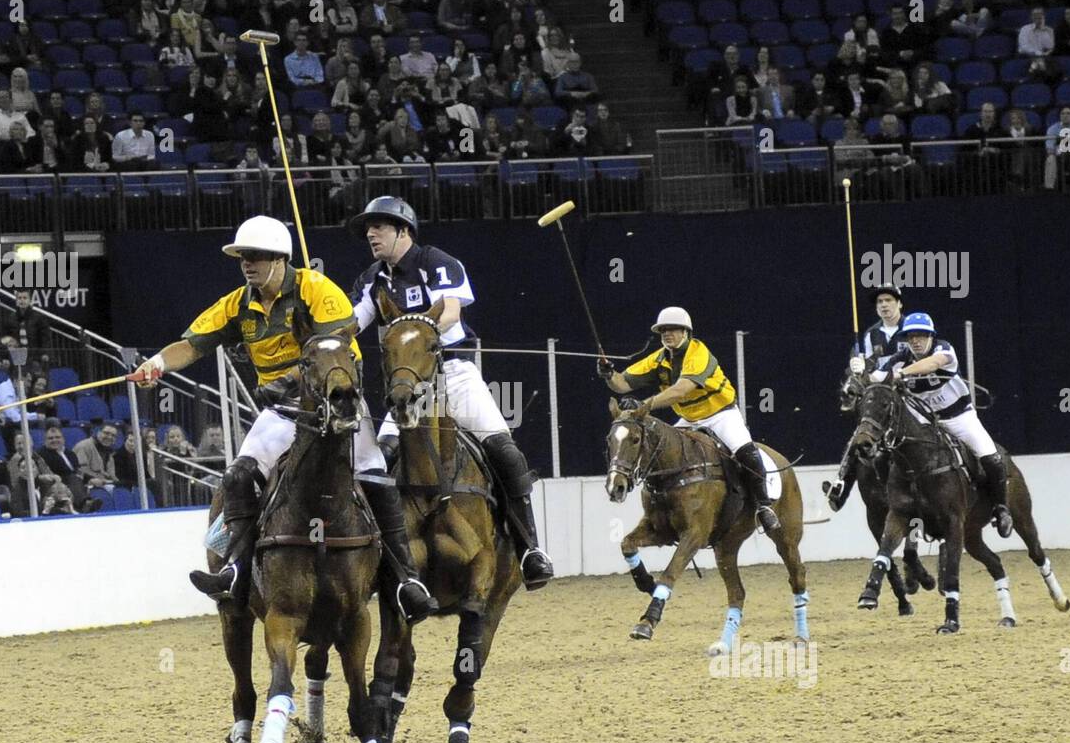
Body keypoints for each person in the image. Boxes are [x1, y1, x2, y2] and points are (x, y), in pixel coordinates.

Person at [134, 216, 439, 621]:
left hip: (339, 405)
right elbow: (191, 346)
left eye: (256, 257)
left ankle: (405, 579)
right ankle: (235, 569)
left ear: (280, 260)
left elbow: (334, 346)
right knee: (239, 476)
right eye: (243, 257)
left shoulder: (317, 290)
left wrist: (287, 380)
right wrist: (155, 365)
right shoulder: (238, 304)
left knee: (375, 475)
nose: (247, 264)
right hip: (284, 413)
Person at [348, 196, 555, 590]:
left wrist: (418, 334)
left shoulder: (435, 261)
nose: (371, 234)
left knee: (504, 450)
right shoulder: (372, 280)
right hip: (412, 385)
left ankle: (531, 548)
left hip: (453, 374)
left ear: (403, 230)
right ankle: (383, 556)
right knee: (381, 458)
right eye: (367, 230)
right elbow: (354, 322)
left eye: (379, 226)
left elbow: (451, 311)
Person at [599, 306, 781, 532]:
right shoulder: (658, 359)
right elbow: (622, 384)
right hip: (689, 419)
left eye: (673, 329)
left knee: (744, 451)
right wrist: (609, 374)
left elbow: (681, 390)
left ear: (686, 332)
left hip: (721, 415)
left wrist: (644, 406)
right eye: (663, 330)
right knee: (659, 451)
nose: (667, 334)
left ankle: (764, 506)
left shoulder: (698, 353)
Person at [870, 313, 1013, 537]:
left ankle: (1001, 508)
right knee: (883, 453)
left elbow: (933, 364)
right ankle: (895, 500)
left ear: (931, 336)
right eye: (910, 337)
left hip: (958, 416)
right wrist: (860, 372)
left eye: (921, 335)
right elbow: (874, 381)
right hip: (925, 421)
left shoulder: (943, 349)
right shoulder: (899, 358)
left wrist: (900, 373)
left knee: (991, 457)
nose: (915, 341)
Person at [824, 285, 906, 510]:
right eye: (880, 302)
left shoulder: (913, 328)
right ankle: (840, 486)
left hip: (910, 391)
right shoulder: (871, 334)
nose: (884, 305)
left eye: (889, 300)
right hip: (882, 396)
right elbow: (860, 371)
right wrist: (858, 366)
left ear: (899, 303)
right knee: (860, 434)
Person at [1044, 106, 1070, 189]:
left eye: (1068, 113)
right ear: (1059, 116)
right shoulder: (1052, 129)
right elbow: (1049, 147)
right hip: (1057, 154)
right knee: (1050, 159)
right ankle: (1049, 187)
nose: (1065, 116)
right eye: (1062, 113)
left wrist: (1063, 146)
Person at [73, 424, 120, 491]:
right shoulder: (84, 446)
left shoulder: (109, 451)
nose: (109, 437)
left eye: (113, 435)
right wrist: (99, 479)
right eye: (106, 433)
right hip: (86, 484)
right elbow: (81, 469)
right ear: (98, 432)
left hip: (105, 484)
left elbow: (112, 475)